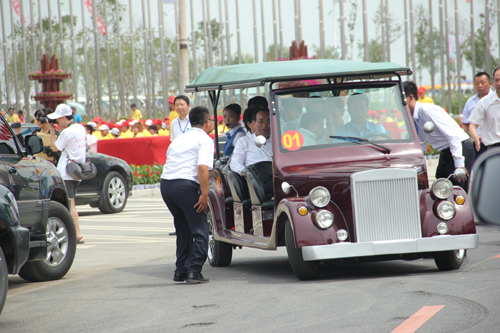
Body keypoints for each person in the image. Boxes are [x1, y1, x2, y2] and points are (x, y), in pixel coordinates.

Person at [160, 105, 214, 284]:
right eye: (212, 120)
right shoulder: (205, 140)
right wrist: (204, 194)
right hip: (185, 186)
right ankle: (194, 272)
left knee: (182, 228)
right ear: (207, 122)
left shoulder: (179, 139)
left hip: (167, 185)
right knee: (200, 229)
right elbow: (202, 167)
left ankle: (181, 270)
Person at [403, 81, 474, 192]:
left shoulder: (427, 110)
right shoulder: (413, 118)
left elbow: (452, 137)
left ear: (410, 97)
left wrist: (459, 165)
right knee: (440, 186)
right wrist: (420, 170)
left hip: (460, 148)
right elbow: (421, 146)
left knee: (457, 191)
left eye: (401, 101)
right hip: (446, 151)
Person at [48, 104, 86, 244]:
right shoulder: (80, 128)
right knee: (71, 204)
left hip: (67, 173)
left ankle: (78, 235)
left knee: (71, 206)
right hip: (77, 171)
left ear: (63, 117)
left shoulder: (67, 132)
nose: (57, 122)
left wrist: (52, 130)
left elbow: (55, 147)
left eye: (58, 119)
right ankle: (75, 233)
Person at [230, 107, 273, 196]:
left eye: (268, 121)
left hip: (275, 179)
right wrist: (249, 175)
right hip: (254, 183)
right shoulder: (243, 141)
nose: (264, 125)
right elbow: (235, 163)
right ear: (254, 123)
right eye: (261, 121)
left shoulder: (277, 141)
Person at [461, 72, 493, 156]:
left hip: (493, 143)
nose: (480, 86)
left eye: (482, 83)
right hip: (477, 143)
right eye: (477, 83)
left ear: (490, 83)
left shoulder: (495, 99)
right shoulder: (470, 101)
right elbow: (465, 123)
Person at [468, 67, 500, 151]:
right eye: (496, 80)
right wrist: (475, 138)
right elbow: (473, 125)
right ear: (493, 83)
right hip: (493, 149)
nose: (499, 83)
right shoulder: (485, 102)